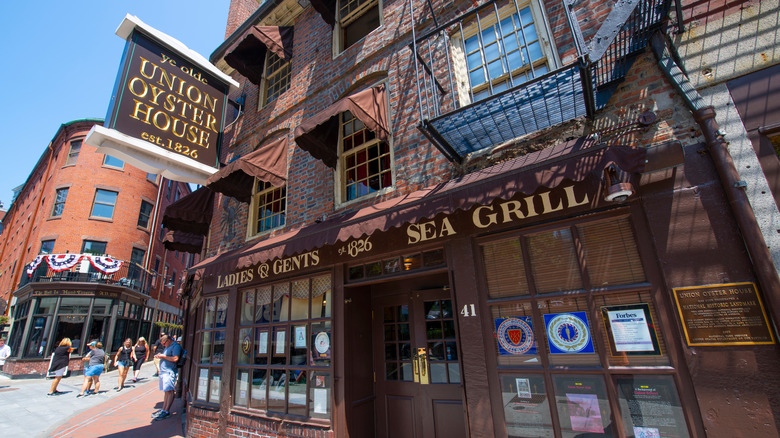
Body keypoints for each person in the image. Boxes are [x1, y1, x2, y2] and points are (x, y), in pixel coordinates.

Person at [152, 334, 181, 420]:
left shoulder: (175, 346)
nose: (164, 345)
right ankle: (163, 409)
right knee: (166, 391)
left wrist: (164, 356)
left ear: (168, 341)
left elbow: (175, 358)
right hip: (164, 371)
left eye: (164, 344)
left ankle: (166, 411)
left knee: (169, 390)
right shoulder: (168, 347)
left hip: (169, 371)